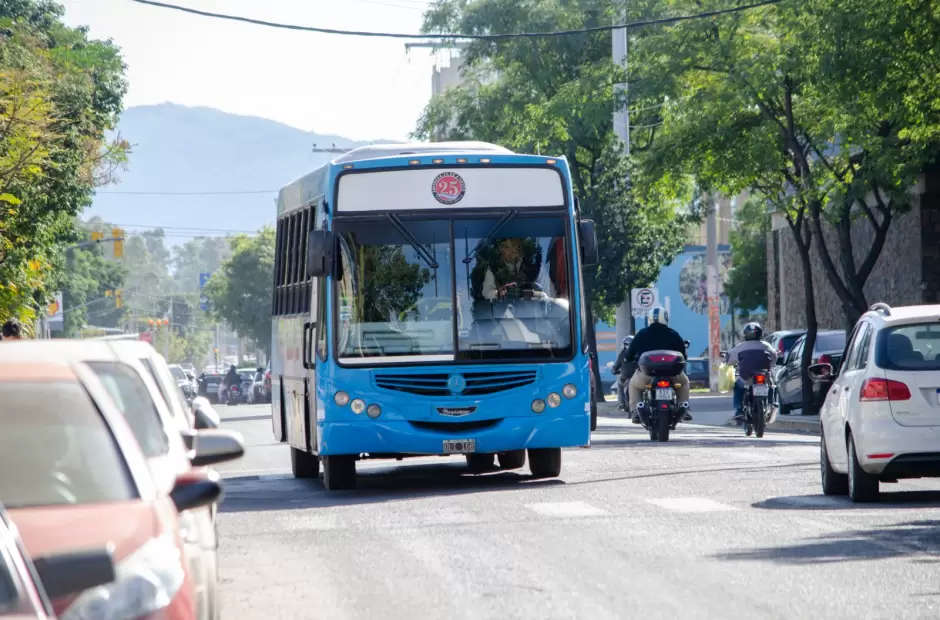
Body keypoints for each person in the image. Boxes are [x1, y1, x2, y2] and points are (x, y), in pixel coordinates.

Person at [625, 306, 692, 424]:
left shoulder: (641, 334)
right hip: (672, 375)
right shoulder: (673, 334)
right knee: (685, 382)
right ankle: (684, 407)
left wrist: (630, 358)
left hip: (647, 375)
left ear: (650, 319)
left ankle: (635, 410)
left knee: (634, 385)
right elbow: (683, 355)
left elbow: (630, 354)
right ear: (666, 318)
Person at [726, 322, 777, 424]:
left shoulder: (740, 347)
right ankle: (771, 403)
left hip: (746, 377)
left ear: (745, 335)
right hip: (764, 375)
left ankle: (739, 410)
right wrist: (769, 367)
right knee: (771, 386)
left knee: (737, 386)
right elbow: (774, 358)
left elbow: (729, 361)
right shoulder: (766, 345)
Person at [611, 335, 635, 411]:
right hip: (637, 377)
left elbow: (616, 366)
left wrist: (614, 370)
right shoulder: (638, 352)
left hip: (626, 378)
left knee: (619, 384)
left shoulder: (622, 354)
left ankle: (622, 402)